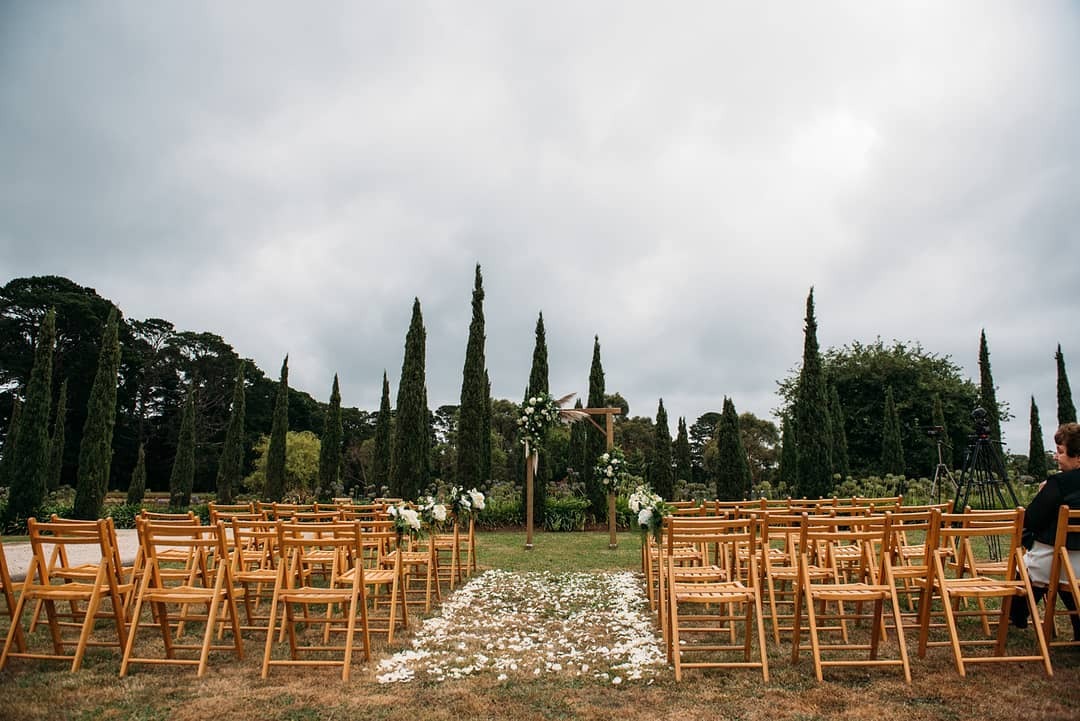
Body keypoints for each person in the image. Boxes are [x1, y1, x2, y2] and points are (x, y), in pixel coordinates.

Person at [1010, 422, 1080, 639]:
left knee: (1043, 564)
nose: (1056, 457)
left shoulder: (1059, 483)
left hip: (1051, 563)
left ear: (1078, 457)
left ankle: (1017, 615)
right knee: (1063, 567)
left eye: (1060, 452)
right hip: (1076, 567)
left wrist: (1043, 492)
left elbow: (1031, 519)